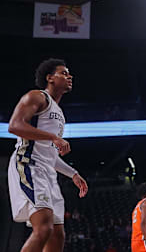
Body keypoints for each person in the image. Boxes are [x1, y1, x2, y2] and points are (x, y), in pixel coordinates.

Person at [7, 58, 88, 252]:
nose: (70, 76)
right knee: (43, 228)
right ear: (50, 78)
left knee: (57, 235)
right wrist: (53, 137)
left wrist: (73, 174)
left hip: (47, 172)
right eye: (64, 73)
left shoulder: (59, 113)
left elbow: (50, 155)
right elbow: (15, 126)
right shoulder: (36, 96)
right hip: (28, 164)